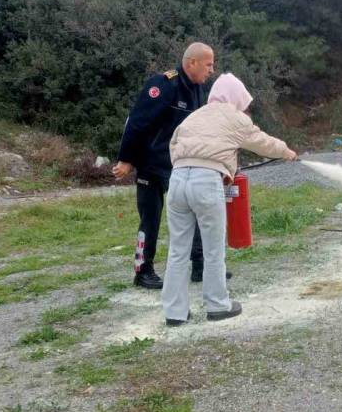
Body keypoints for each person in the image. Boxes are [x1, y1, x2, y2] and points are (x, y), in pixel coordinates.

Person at [161, 73, 298, 326]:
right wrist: (286, 151)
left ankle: (174, 312)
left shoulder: (194, 116)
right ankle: (217, 305)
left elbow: (173, 144)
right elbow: (262, 142)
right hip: (206, 182)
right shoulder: (234, 118)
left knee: (178, 250)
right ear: (235, 97)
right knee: (213, 249)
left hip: (177, 180)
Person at [112, 43, 216, 289]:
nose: (212, 70)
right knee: (150, 219)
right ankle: (143, 271)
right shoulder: (164, 85)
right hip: (151, 163)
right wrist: (127, 159)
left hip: (178, 164)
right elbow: (137, 122)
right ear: (192, 63)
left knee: (196, 209)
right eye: (209, 65)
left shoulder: (197, 89)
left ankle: (200, 266)